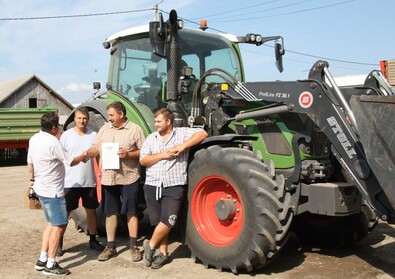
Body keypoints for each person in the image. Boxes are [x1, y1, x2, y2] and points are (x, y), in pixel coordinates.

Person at [139, 108, 208, 269]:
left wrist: (183, 146)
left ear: (168, 121)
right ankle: (163, 253)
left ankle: (150, 245)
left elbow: (203, 134)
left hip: (174, 184)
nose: (155, 124)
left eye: (158, 121)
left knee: (169, 221)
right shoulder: (151, 138)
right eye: (155, 121)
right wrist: (163, 155)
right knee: (159, 222)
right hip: (153, 185)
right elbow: (143, 160)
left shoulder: (182, 133)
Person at [85, 101, 145, 262]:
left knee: (131, 211)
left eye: (111, 115)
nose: (109, 118)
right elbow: (97, 147)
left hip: (129, 177)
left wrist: (129, 155)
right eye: (109, 115)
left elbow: (144, 151)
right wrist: (88, 153)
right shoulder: (105, 128)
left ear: (121, 114)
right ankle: (110, 246)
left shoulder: (134, 129)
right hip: (109, 178)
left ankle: (133, 246)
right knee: (110, 212)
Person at [27, 112, 86, 276]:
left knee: (51, 224)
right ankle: (51, 264)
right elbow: (70, 161)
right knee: (59, 226)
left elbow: (30, 163)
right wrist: (82, 156)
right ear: (54, 127)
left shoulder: (34, 139)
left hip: (41, 188)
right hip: (53, 191)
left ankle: (42, 259)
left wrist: (31, 182)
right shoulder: (54, 142)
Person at [59, 106, 104, 254]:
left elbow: (98, 155)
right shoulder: (66, 136)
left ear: (88, 119)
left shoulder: (93, 135)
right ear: (75, 119)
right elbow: (60, 157)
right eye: (79, 118)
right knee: (65, 212)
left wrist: (102, 170)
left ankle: (93, 240)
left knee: (91, 211)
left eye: (84, 118)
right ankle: (58, 242)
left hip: (88, 181)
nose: (82, 121)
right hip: (70, 181)